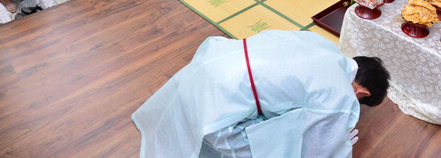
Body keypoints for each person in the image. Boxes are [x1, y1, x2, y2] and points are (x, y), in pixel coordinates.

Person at [132, 30, 390, 158]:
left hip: (211, 61)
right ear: (362, 92)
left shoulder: (323, 44)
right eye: (358, 102)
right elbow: (319, 151)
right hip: (220, 101)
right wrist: (341, 140)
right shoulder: (340, 96)